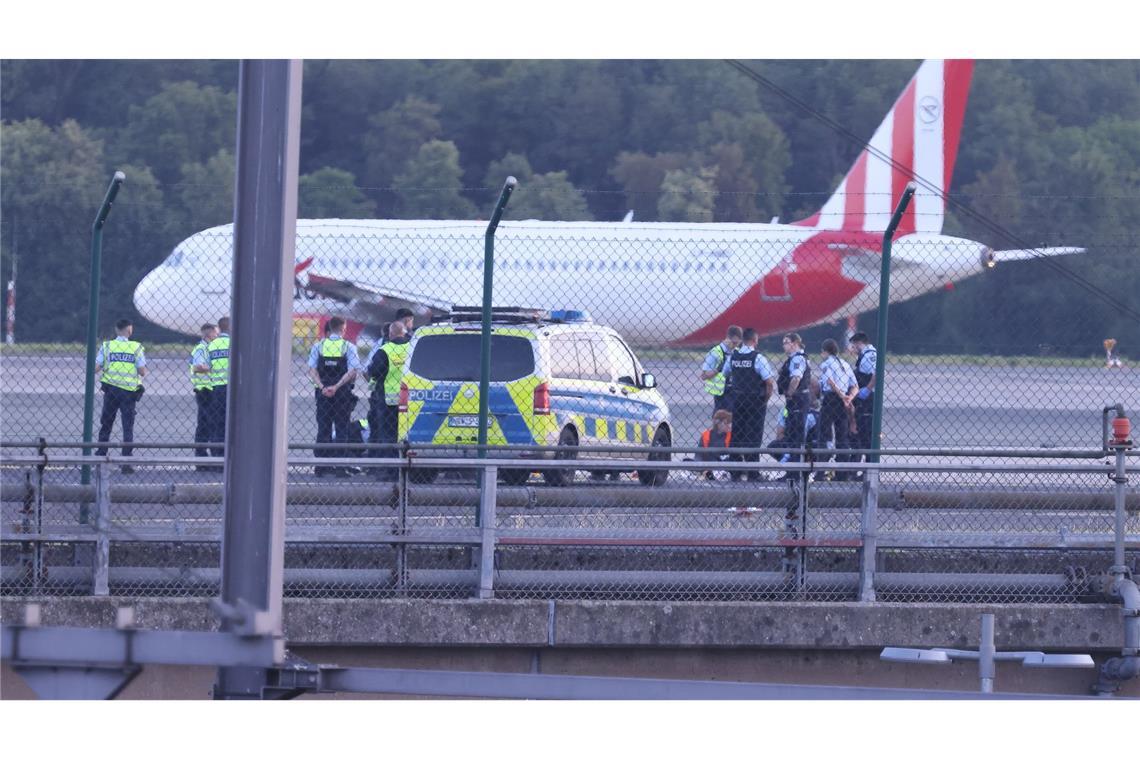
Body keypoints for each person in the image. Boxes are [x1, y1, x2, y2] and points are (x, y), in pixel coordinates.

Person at [308, 316, 362, 477]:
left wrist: (323, 387)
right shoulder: (348, 347)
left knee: (323, 429)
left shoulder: (318, 346)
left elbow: (312, 370)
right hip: (342, 394)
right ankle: (340, 467)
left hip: (322, 394)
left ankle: (321, 466)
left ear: (329, 328)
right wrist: (337, 386)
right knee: (341, 429)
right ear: (343, 329)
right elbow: (352, 371)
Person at [94, 318, 147, 473]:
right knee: (127, 427)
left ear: (116, 330)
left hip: (110, 391)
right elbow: (142, 371)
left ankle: (101, 455)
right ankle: (126, 461)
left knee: (106, 423)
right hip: (129, 392)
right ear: (130, 330)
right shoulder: (136, 347)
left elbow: (96, 368)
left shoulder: (107, 346)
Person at [722, 327, 775, 482]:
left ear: (743, 339)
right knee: (754, 435)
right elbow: (769, 382)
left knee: (737, 434)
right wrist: (766, 398)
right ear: (755, 340)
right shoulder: (758, 358)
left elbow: (726, 373)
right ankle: (752, 472)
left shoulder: (734, 356)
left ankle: (735, 471)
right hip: (755, 401)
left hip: (738, 400)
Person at [366, 320, 410, 481]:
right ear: (404, 333)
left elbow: (374, 372)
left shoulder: (384, 350)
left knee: (388, 435)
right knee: (407, 435)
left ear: (390, 334)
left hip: (388, 401)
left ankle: (391, 471)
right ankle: (407, 468)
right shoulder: (412, 348)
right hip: (410, 399)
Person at [817, 338, 858, 481]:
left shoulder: (827, 363)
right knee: (843, 437)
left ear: (825, 351)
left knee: (824, 435)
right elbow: (855, 386)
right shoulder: (846, 365)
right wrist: (848, 398)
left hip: (831, 399)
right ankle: (843, 474)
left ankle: (820, 472)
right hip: (843, 403)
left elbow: (829, 380)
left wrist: (841, 395)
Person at [776, 333, 812, 478]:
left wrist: (790, 393)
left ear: (795, 343)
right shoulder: (793, 359)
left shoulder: (798, 359)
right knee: (792, 434)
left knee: (796, 436)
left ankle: (795, 472)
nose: (784, 345)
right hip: (797, 400)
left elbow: (796, 378)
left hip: (797, 400)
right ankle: (792, 471)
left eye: (786, 342)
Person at [190, 323, 217, 468]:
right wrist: (215, 368)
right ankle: (204, 457)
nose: (217, 336)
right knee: (208, 424)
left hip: (206, 390)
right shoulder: (202, 348)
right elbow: (198, 367)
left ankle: (202, 457)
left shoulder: (206, 348)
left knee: (205, 424)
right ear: (210, 334)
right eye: (215, 334)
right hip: (205, 390)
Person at [849, 331, 877, 473]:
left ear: (859, 343)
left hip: (868, 399)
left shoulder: (870, 355)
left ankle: (870, 472)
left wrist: (867, 389)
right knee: (862, 433)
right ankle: (865, 470)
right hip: (863, 399)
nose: (853, 349)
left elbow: (876, 373)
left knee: (867, 435)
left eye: (854, 345)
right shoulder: (864, 356)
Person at [700, 325, 742, 414]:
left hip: (735, 392)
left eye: (737, 343)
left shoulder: (738, 352)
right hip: (721, 394)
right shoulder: (716, 352)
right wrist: (719, 369)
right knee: (721, 418)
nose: (735, 346)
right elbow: (703, 376)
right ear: (727, 338)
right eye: (733, 343)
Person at [205, 316, 231, 462]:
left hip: (216, 388)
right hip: (232, 388)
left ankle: (216, 457)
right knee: (233, 422)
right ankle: (230, 455)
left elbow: (206, 367)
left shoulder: (212, 345)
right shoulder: (235, 343)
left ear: (219, 328)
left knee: (217, 423)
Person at [696, 409, 733, 480]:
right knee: (687, 461)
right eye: (727, 422)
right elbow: (699, 455)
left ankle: (715, 473)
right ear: (720, 423)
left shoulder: (731, 435)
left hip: (725, 463)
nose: (730, 425)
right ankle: (709, 472)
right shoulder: (706, 435)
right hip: (709, 463)